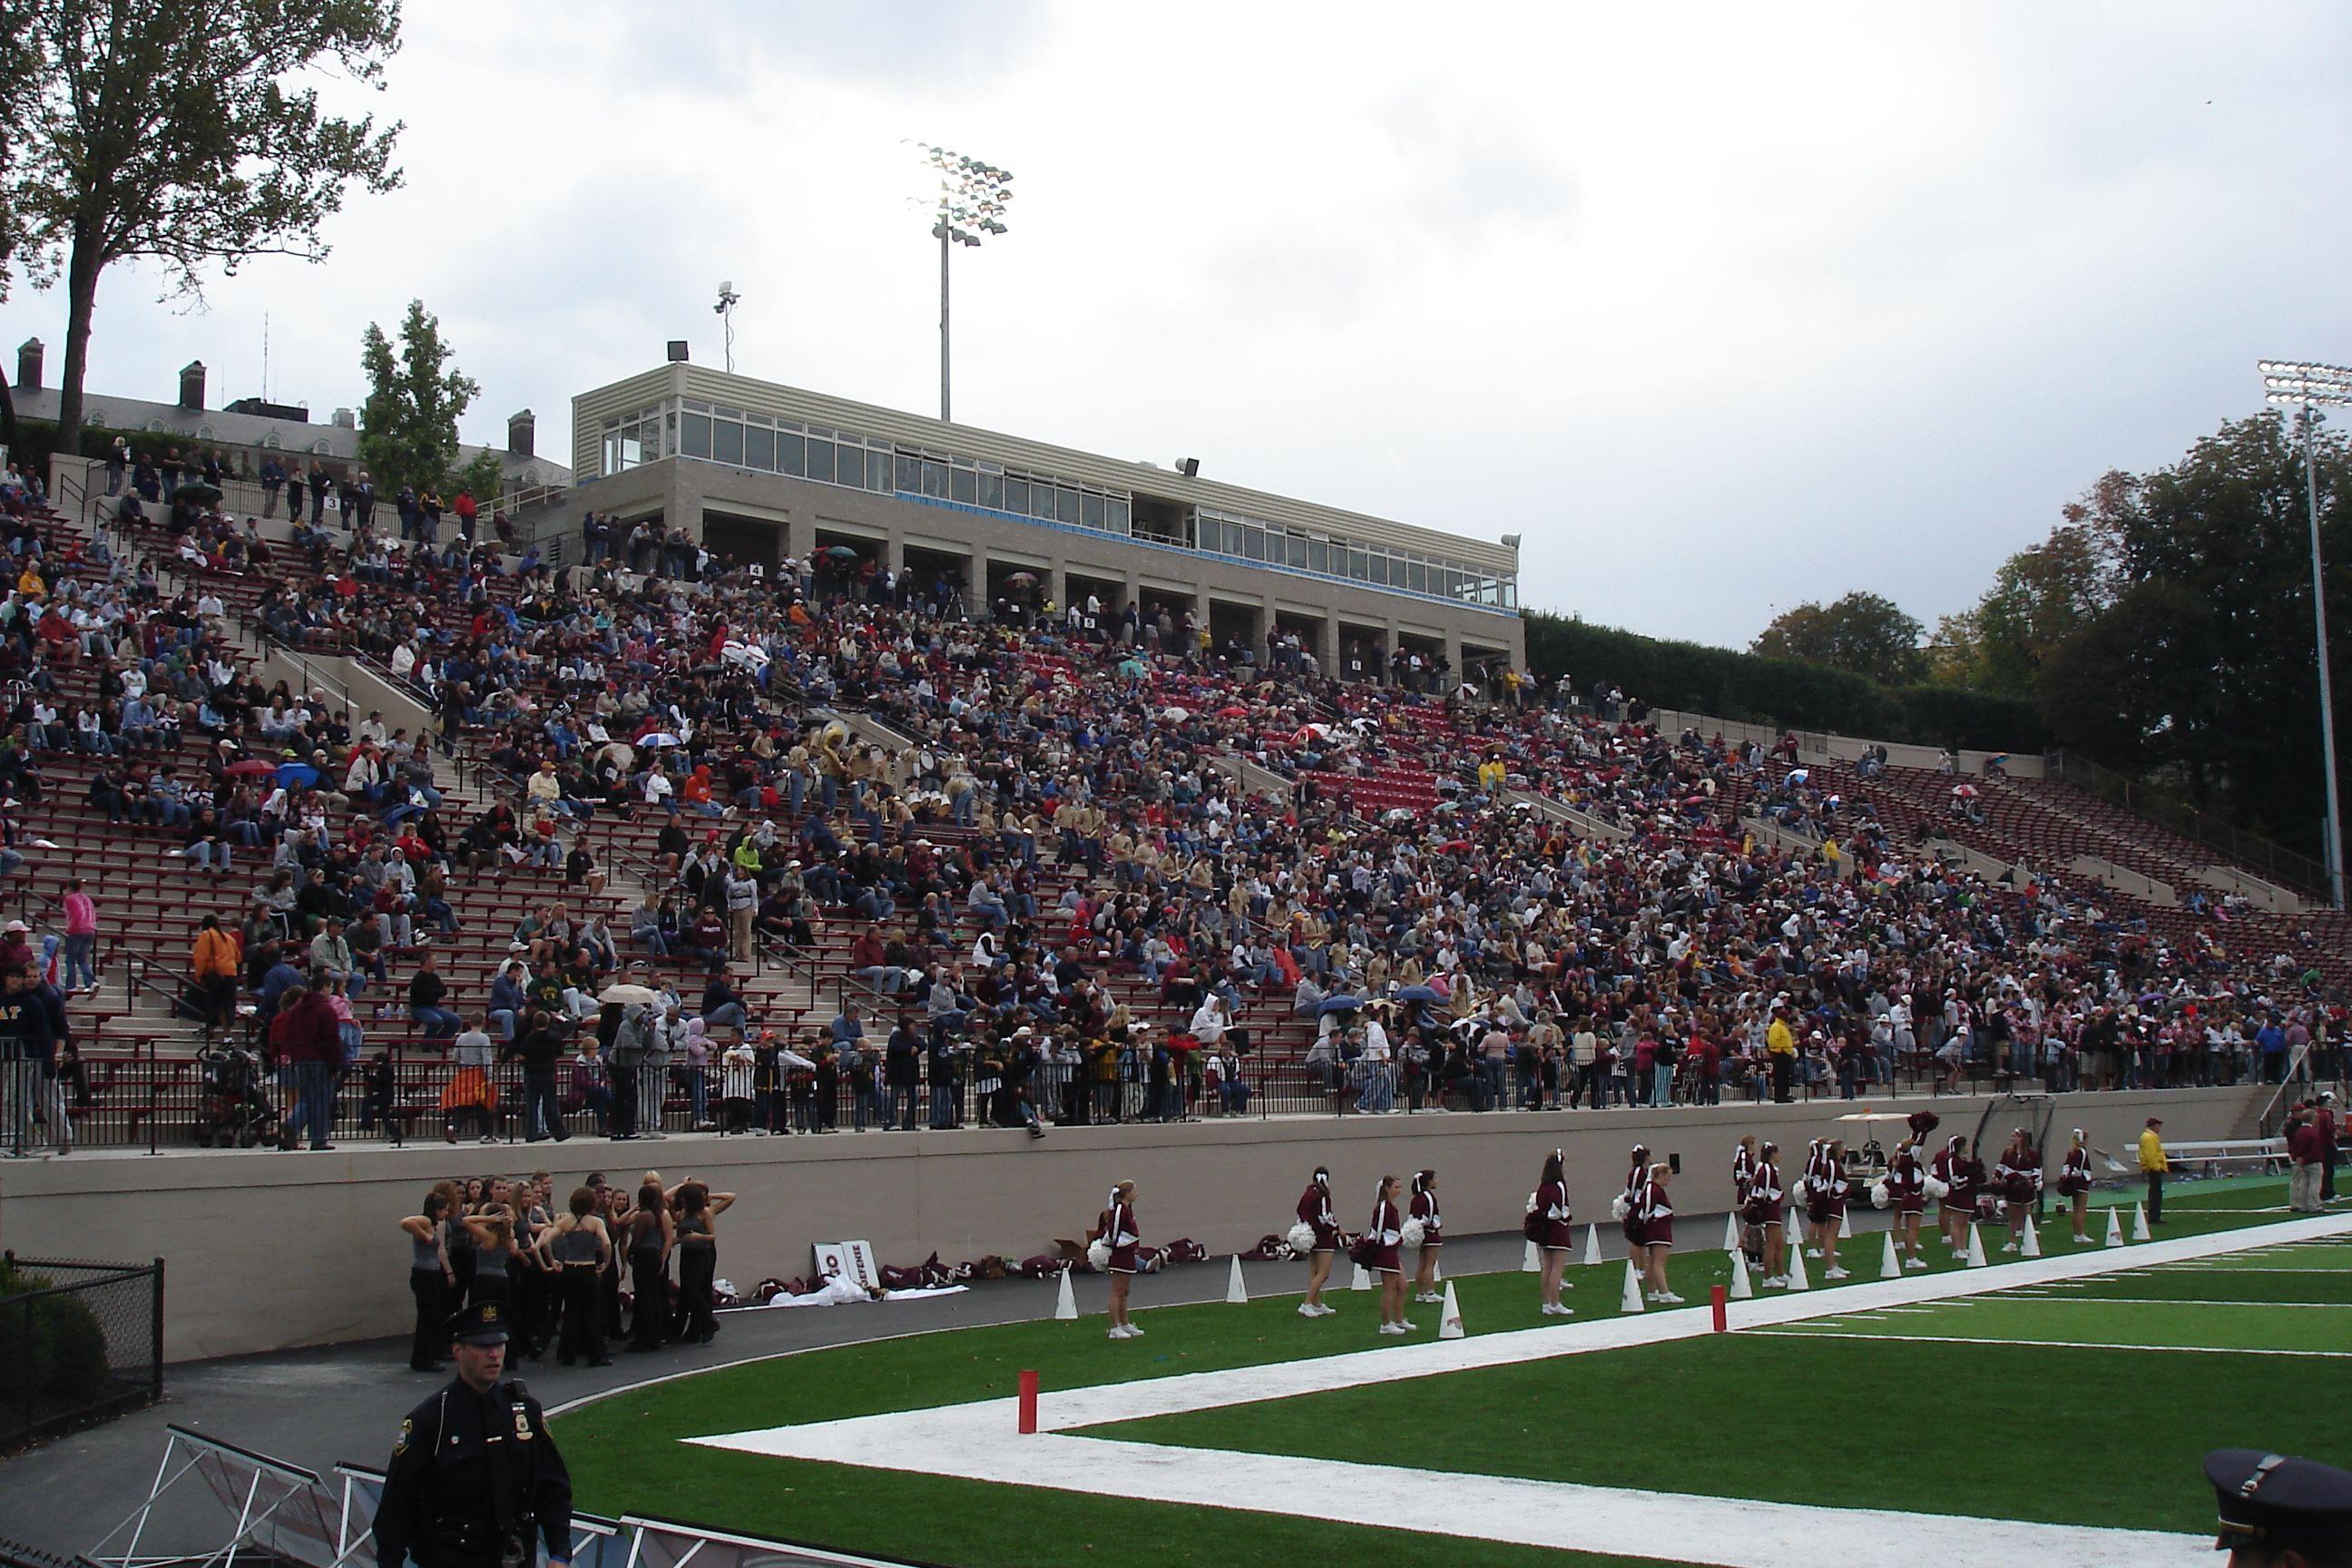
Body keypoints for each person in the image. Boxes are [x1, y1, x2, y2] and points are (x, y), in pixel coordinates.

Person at [371, 1301, 573, 1568]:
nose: (494, 1354)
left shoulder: (524, 1412)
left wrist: (560, 1552)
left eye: (499, 1345)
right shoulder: (432, 1420)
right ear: (458, 1351)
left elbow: (553, 1486)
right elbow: (397, 1507)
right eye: (482, 1347)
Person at [541, 1186, 612, 1367]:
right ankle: (595, 1356)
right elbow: (606, 1243)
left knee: (571, 1312)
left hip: (570, 1267)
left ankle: (568, 1354)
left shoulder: (566, 1221)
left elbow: (546, 1241)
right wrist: (606, 1262)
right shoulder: (596, 1222)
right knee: (592, 1312)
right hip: (587, 1268)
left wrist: (553, 1260)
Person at [669, 1179, 735, 1347]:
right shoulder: (682, 1214)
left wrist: (699, 1237)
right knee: (686, 1290)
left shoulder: (704, 1213)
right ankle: (691, 1328)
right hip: (687, 1252)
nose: (682, 1202)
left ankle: (708, 1322)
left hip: (702, 1253)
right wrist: (676, 1240)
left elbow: (712, 1236)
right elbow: (681, 1233)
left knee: (694, 1287)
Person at [400, 1191, 456, 1373]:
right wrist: (425, 1236)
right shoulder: (424, 1221)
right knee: (427, 1318)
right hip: (423, 1274)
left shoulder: (433, 1224)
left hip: (431, 1273)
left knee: (431, 1317)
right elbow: (405, 1222)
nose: (446, 1213)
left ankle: (425, 1355)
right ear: (436, 1209)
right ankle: (422, 1359)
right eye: (444, 1210)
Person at [623, 1181, 673, 1351]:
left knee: (644, 1296)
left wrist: (629, 1254)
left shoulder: (644, 1216)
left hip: (644, 1255)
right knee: (653, 1296)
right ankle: (654, 1334)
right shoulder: (658, 1215)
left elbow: (637, 1239)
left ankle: (645, 1337)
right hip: (654, 1255)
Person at [1531, 1147, 1576, 1316]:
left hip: (1545, 1230)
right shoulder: (1559, 1185)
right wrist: (1565, 1217)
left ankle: (1546, 1303)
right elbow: (1558, 1209)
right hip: (1557, 1229)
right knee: (1557, 1267)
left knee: (1548, 1267)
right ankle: (1555, 1303)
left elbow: (1539, 1206)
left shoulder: (1543, 1185)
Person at [1366, 1174, 1411, 1334]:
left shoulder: (1391, 1206)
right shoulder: (1384, 1206)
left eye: (1400, 1187)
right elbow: (1377, 1229)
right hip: (1385, 1250)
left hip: (1392, 1250)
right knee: (1389, 1288)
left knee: (1403, 1285)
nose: (1399, 1190)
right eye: (1396, 1187)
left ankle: (1399, 1319)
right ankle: (1385, 1325)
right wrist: (1376, 1248)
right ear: (1387, 1188)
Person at [1098, 1180, 1142, 1339]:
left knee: (1124, 1290)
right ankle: (1114, 1327)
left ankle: (1125, 1323)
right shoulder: (1119, 1209)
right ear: (1126, 1193)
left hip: (1128, 1252)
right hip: (1120, 1253)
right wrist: (1115, 1246)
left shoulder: (1128, 1209)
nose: (1136, 1193)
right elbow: (1113, 1231)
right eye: (1134, 1191)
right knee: (1117, 1290)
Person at [1296, 1165, 1340, 1318]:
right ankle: (1307, 1303)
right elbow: (1325, 1217)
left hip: (1311, 1237)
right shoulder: (1322, 1195)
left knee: (1314, 1272)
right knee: (1323, 1273)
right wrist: (1337, 1228)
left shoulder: (1307, 1194)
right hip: (1323, 1238)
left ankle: (1316, 1304)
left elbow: (1300, 1213)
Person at [1636, 1161, 1681, 1305]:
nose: (1669, 1180)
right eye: (1668, 1177)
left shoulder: (1654, 1188)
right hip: (1658, 1229)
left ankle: (1652, 1292)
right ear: (1659, 1175)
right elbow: (1647, 1209)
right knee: (1659, 1262)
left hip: (1657, 1228)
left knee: (1653, 1260)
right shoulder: (1652, 1189)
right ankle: (1664, 1292)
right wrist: (1647, 1223)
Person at [1886, 1135, 1929, 1269]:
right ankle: (1911, 1258)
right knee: (1912, 1229)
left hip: (1907, 1196)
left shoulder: (1902, 1161)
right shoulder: (1909, 1163)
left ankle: (1910, 1254)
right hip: (1912, 1197)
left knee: (1910, 1227)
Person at [1749, 1140, 1788, 1287]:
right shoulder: (1767, 1170)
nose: (1780, 1155)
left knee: (1779, 1243)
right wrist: (1772, 1200)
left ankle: (1780, 1273)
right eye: (1778, 1153)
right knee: (1771, 1244)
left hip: (1773, 1210)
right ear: (1772, 1154)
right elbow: (1762, 1192)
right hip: (1770, 1211)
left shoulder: (1767, 1169)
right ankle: (1768, 1277)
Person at [1996, 1128, 2042, 1250]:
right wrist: (1997, 1177)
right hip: (2012, 1186)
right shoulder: (2008, 1152)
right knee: (2012, 1216)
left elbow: (2037, 1170)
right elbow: (2001, 1166)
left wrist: (2033, 1181)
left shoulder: (2032, 1154)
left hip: (2025, 1187)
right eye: (2012, 1136)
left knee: (2026, 1215)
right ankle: (2012, 1243)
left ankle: (2027, 1242)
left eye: (2016, 1136)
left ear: (2022, 1138)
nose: (2013, 1139)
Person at [1811, 1137, 1850, 1279]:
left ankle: (1833, 1265)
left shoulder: (1833, 1164)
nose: (1845, 1150)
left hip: (1836, 1202)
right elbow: (1828, 1186)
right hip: (1834, 1203)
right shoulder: (1833, 1165)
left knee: (1833, 1235)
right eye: (1843, 1147)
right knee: (1831, 1235)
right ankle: (1830, 1268)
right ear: (1837, 1150)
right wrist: (1833, 1198)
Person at [1408, 1169, 1445, 1305]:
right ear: (1429, 1181)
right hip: (1430, 1233)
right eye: (1434, 1179)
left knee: (1422, 1264)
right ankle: (1430, 1293)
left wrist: (1414, 1229)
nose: (1436, 1181)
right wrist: (1425, 1226)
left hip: (1421, 1234)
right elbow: (1428, 1217)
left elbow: (1412, 1216)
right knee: (1430, 1264)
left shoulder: (1416, 1198)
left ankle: (1420, 1293)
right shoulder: (1428, 1196)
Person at [2055, 1127, 2094, 1243]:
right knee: (2081, 1209)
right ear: (2083, 1140)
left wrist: (2068, 1178)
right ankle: (2079, 1234)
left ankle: (2077, 1234)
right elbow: (2078, 1169)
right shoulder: (2081, 1152)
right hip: (2080, 1183)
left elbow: (2066, 1167)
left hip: (2073, 1183)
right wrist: (2080, 1178)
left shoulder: (2071, 1152)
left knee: (2076, 1209)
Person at [2140, 1116, 2168, 1224]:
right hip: (2153, 1168)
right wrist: (2156, 1167)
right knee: (2156, 1193)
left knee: (2155, 1192)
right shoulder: (2149, 1138)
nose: (2159, 1127)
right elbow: (2151, 1155)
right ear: (2154, 1126)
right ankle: (2154, 1216)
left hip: (2152, 1167)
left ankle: (2154, 1215)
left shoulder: (2149, 1137)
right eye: (2158, 1125)